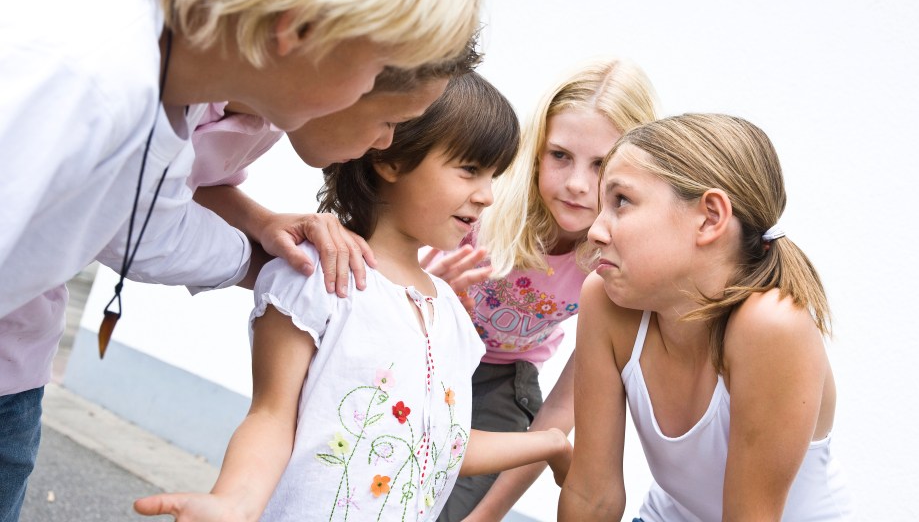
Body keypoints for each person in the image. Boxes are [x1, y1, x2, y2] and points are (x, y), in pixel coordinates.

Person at [0, 0, 482, 519]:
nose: (375, 95)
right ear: (300, 29)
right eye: (378, 67)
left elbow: (153, 223)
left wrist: (273, 260)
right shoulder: (89, 74)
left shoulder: (153, 79)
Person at [133, 72, 572, 522]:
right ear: (392, 158)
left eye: (494, 175)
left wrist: (550, 441)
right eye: (470, 170)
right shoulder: (319, 276)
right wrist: (232, 503)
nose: (487, 196)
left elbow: (443, 444)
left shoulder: (451, 314)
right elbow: (270, 417)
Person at [558, 114, 854, 521]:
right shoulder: (606, 300)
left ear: (710, 217)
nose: (595, 230)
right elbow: (593, 494)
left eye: (621, 201)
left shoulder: (771, 326)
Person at [429, 58, 659, 521]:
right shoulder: (486, 207)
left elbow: (561, 410)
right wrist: (432, 296)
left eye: (601, 165)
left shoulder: (615, 266)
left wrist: (486, 515)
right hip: (428, 347)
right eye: (560, 156)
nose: (576, 184)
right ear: (536, 150)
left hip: (505, 379)